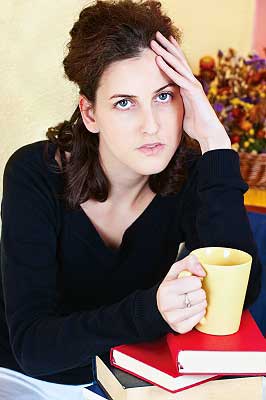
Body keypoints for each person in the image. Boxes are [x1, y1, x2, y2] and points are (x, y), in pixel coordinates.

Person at [0, 0, 262, 387]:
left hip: (127, 381)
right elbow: (34, 348)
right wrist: (151, 310)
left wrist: (214, 142)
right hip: (28, 378)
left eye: (164, 96)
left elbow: (240, 293)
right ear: (90, 114)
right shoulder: (34, 174)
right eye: (125, 103)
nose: (152, 126)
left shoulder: (189, 172)